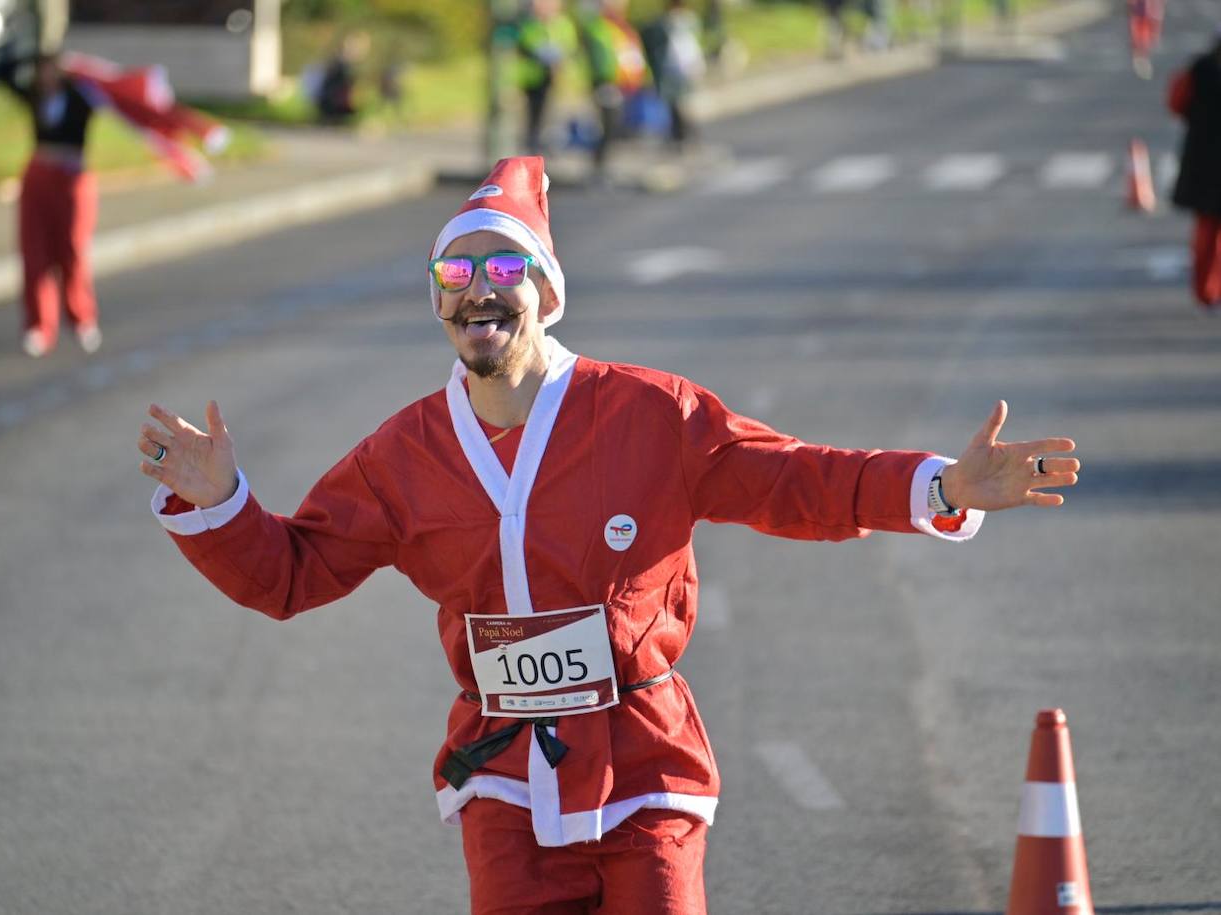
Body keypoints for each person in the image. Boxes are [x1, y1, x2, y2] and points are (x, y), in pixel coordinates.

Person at [136, 156, 1080, 914]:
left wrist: (942, 487)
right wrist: (221, 504)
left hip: (645, 763)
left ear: (545, 292)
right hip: (503, 769)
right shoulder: (404, 452)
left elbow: (794, 479)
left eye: (504, 269)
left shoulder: (650, 413)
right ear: (436, 301)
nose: (479, 293)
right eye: (455, 274)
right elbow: (294, 574)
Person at [0, 51, 103, 357]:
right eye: (41, 70)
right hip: (39, 174)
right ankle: (39, 326)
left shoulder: (81, 98)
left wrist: (80, 71)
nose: (45, 76)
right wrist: (25, 55)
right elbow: (2, 72)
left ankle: (82, 318)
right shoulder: (35, 96)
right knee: (34, 251)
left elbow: (111, 97)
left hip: (72, 177)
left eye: (50, 70)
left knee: (71, 248)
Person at [1168, 28, 1221, 310]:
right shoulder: (1198, 70)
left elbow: (1176, 104)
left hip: (1202, 165)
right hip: (1206, 165)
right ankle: (1208, 288)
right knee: (1208, 233)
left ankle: (1206, 289)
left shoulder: (1198, 70)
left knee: (1206, 232)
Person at [580, 0, 648, 177]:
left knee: (615, 126)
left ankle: (602, 165)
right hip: (607, 84)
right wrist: (606, 80)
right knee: (608, 125)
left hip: (621, 84)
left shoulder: (620, 25)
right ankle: (598, 166)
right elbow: (601, 57)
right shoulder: (598, 27)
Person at [515, 0, 578, 155]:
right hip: (533, 78)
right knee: (534, 115)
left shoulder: (564, 24)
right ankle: (532, 149)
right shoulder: (529, 25)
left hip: (557, 77)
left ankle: (547, 147)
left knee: (552, 114)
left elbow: (570, 46)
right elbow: (528, 45)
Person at [642, 0, 706, 153]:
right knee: (676, 105)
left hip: (678, 69)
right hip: (676, 69)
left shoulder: (678, 23)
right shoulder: (676, 23)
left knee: (679, 105)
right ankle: (681, 137)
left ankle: (685, 137)